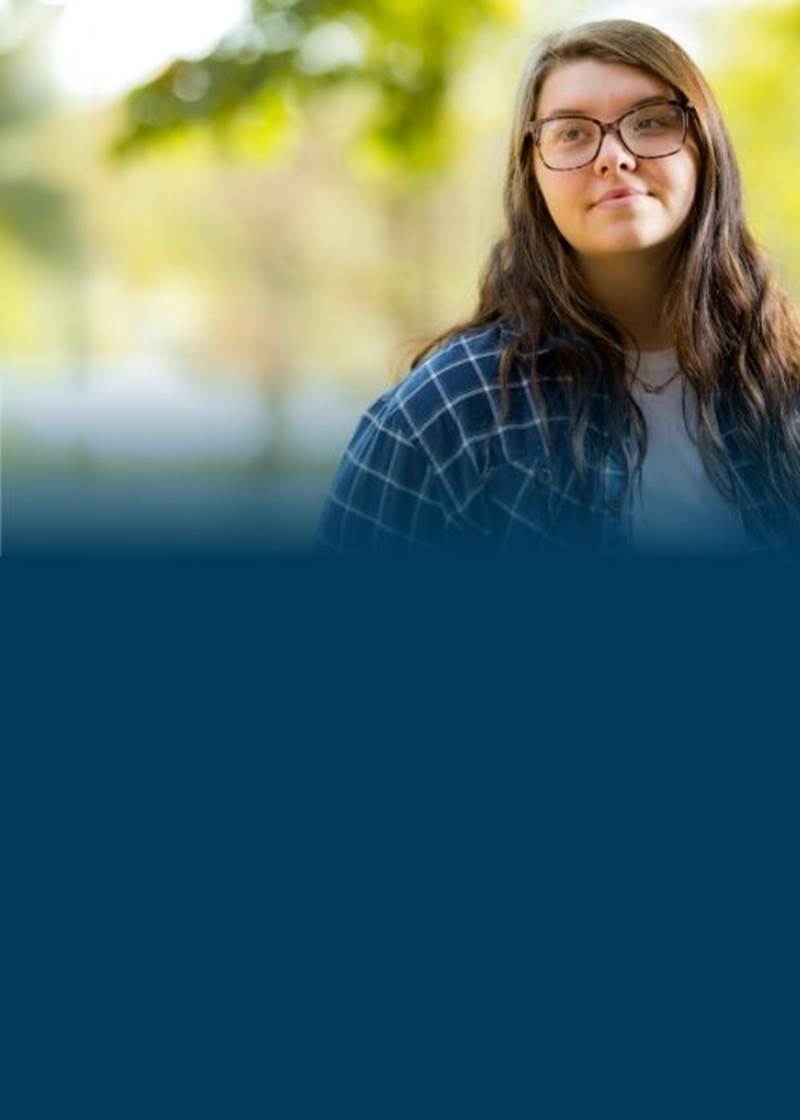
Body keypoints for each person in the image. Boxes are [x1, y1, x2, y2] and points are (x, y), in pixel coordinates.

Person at [313, 19, 800, 558]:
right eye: (572, 132)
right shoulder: (444, 418)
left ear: (706, 149)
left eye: (650, 121)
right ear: (533, 177)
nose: (613, 156)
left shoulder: (786, 387)